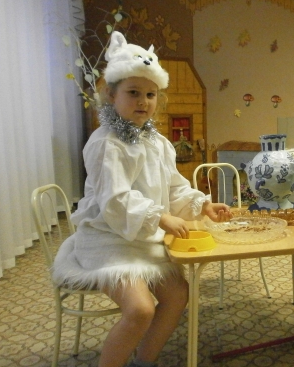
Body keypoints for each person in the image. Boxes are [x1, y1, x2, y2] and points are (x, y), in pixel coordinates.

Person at [52, 31, 231, 367]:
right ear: (111, 94)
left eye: (150, 94)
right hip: (108, 240)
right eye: (133, 92)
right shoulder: (106, 142)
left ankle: (144, 361)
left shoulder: (158, 142)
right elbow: (115, 200)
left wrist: (201, 204)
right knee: (139, 309)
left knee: (178, 294)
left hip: (143, 238)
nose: (143, 101)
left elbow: (174, 186)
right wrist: (160, 217)